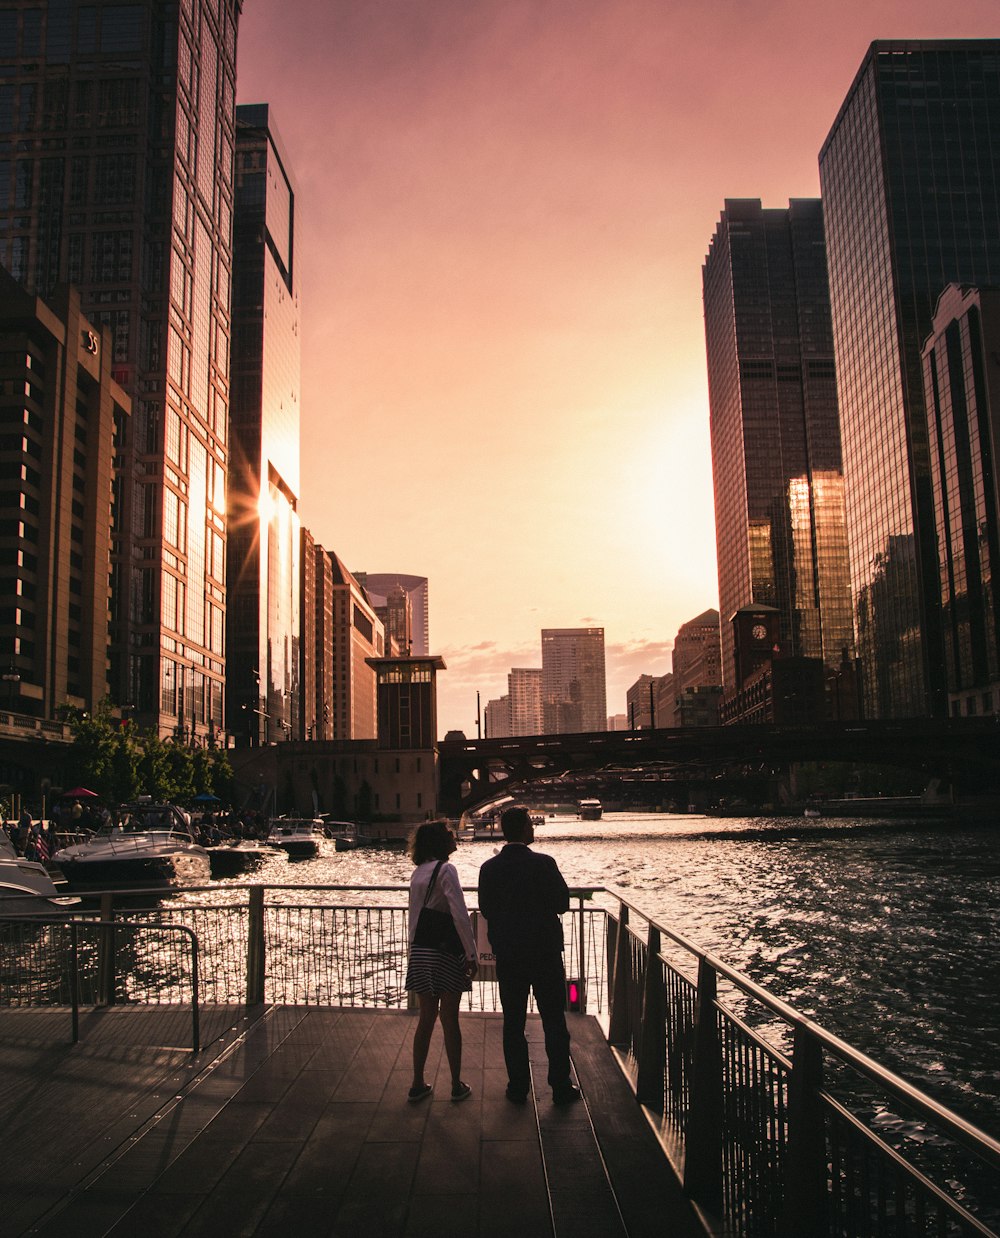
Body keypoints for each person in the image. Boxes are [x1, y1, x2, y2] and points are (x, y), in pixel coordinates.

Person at [478, 805, 581, 1106]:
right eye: (530, 825)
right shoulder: (544, 863)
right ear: (524, 828)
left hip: (509, 954)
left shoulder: (489, 868)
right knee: (553, 1020)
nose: (533, 828)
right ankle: (560, 1086)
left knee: (513, 1022)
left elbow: (486, 909)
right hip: (545, 952)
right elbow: (562, 902)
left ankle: (518, 1087)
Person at [405, 820, 478, 1103]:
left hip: (421, 951)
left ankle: (417, 1082)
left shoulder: (418, 873)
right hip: (445, 953)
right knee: (450, 1020)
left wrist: (414, 951)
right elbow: (459, 914)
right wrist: (470, 954)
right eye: (450, 834)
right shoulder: (446, 870)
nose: (454, 836)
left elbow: (415, 919)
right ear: (440, 842)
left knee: (425, 1019)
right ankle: (456, 1084)